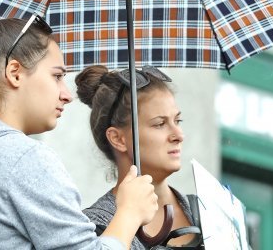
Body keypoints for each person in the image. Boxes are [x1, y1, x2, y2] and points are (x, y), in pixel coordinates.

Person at [0, 16, 159, 250]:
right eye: (57, 76)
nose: (67, 94)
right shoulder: (23, 159)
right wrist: (129, 213)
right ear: (15, 72)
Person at [75, 65, 197, 249]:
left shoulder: (208, 211)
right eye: (160, 124)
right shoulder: (95, 228)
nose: (179, 135)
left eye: (177, 121)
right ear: (118, 139)